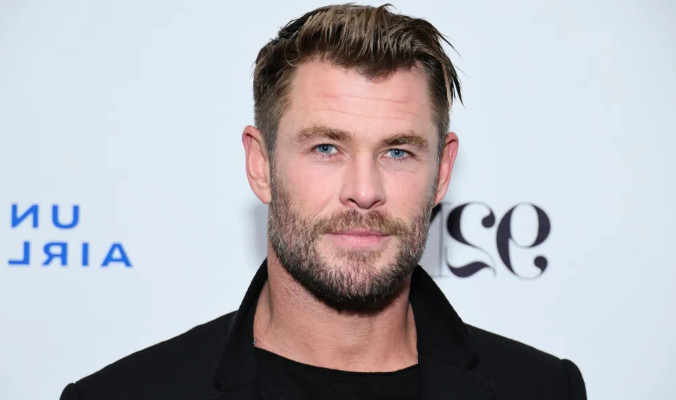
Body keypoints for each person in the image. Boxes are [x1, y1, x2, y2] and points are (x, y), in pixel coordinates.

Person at [60, 4, 586, 400]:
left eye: (398, 152)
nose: (365, 190)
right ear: (261, 165)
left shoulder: (541, 389)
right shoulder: (124, 394)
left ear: (442, 171)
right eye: (326, 148)